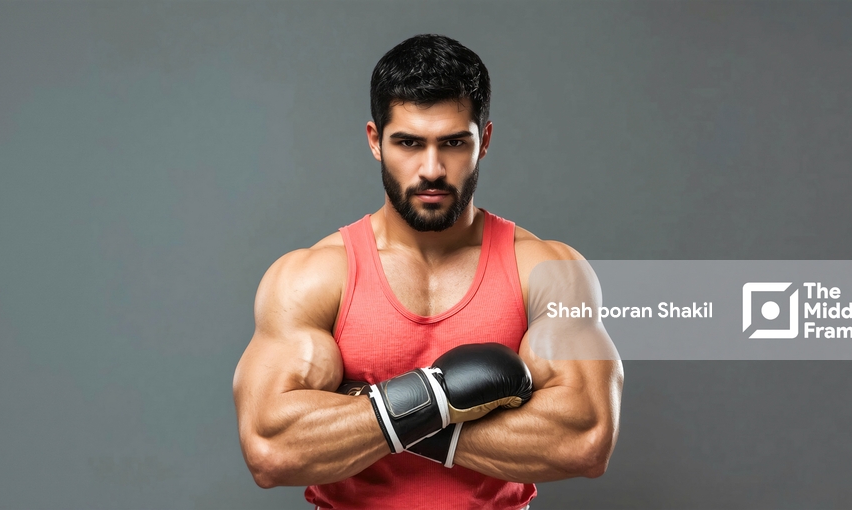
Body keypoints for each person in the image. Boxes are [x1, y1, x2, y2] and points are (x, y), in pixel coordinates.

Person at [232, 34, 624, 510]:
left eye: (455, 142)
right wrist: (442, 397)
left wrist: (372, 404)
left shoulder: (546, 270)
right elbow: (272, 452)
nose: (432, 168)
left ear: (485, 142)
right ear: (376, 141)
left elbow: (584, 440)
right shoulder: (314, 277)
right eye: (409, 143)